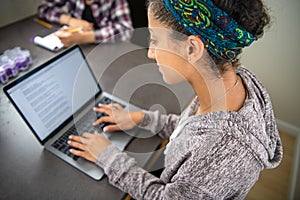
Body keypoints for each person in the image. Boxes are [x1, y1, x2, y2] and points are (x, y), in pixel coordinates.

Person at [68, 0, 283, 199]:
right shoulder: (226, 83)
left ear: (192, 48)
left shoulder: (223, 154)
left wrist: (108, 157)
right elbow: (191, 129)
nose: (151, 53)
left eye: (155, 40)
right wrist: (141, 118)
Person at [37, 0, 133, 46]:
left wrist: (85, 37)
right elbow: (44, 8)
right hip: (79, 47)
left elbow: (126, 30)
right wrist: (70, 20)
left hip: (109, 48)